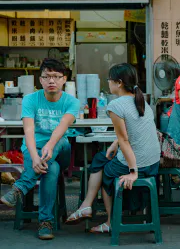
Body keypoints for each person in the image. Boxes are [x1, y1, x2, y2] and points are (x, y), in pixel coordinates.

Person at [65, 63, 160, 233]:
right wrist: (114, 144)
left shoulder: (115, 106)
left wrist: (133, 171)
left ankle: (109, 222)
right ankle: (86, 205)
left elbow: (124, 139)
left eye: (109, 79)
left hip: (139, 162)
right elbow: (130, 133)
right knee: (100, 158)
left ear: (119, 83)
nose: (108, 83)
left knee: (106, 172)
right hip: (153, 160)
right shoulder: (141, 101)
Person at [0, 58, 80, 240]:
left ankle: (20, 187)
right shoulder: (30, 100)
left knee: (58, 142)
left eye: (56, 76)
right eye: (47, 76)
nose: (51, 80)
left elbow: (62, 127)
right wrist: (35, 157)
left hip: (61, 149)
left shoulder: (72, 101)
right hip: (34, 150)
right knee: (51, 170)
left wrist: (49, 146)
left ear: (64, 79)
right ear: (40, 80)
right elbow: (28, 131)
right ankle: (46, 223)